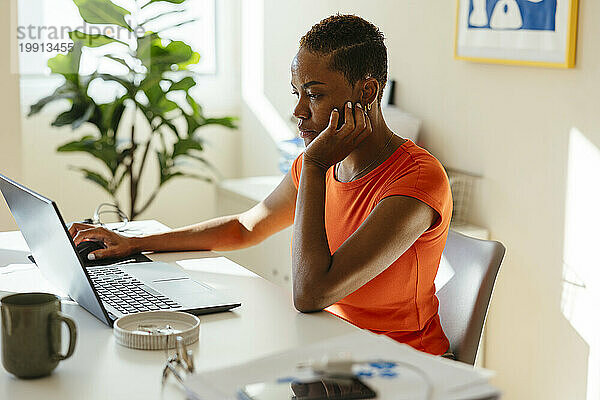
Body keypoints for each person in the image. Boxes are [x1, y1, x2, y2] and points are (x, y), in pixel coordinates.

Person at [69, 14, 452, 356]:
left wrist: (317, 165)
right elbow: (246, 227)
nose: (298, 111)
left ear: (366, 92)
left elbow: (311, 293)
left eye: (315, 95)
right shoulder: (313, 167)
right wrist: (136, 243)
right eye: (297, 93)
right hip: (329, 349)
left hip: (401, 367)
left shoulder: (415, 179)